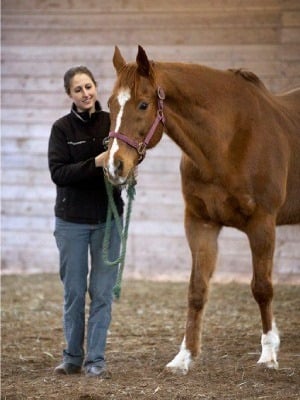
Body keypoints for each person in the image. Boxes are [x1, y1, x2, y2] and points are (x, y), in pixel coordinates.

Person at [48, 66, 123, 378]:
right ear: (70, 95)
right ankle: (72, 357)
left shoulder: (111, 123)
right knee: (75, 292)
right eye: (78, 89)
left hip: (108, 220)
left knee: (102, 293)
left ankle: (95, 360)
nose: (85, 94)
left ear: (96, 87)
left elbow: (128, 155)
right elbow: (59, 173)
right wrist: (94, 163)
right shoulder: (61, 129)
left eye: (88, 87)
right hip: (72, 223)